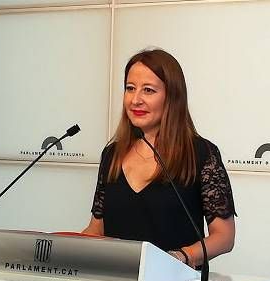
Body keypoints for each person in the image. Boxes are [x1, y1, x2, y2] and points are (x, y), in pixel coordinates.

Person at [82, 48, 236, 268]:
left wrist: (181, 257)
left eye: (148, 90)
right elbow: (97, 229)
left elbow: (224, 236)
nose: (135, 100)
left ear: (172, 96)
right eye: (130, 88)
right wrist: (60, 251)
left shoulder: (202, 154)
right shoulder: (112, 155)